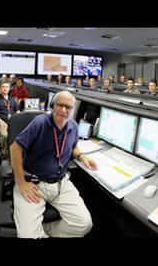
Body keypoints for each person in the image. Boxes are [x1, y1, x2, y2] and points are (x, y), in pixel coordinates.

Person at [10, 91, 96, 238]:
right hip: (33, 183)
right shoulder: (40, 123)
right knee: (27, 236)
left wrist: (82, 156)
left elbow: (73, 145)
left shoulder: (73, 126)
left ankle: (45, 230)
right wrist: (21, 182)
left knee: (84, 224)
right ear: (52, 106)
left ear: (73, 109)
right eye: (60, 105)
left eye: (68, 107)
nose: (63, 110)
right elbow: (15, 149)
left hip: (60, 184)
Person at [0, 81, 21, 160]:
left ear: (9, 89)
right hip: (2, 122)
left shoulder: (12, 99)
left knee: (22, 134)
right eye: (3, 87)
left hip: (13, 122)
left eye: (7, 87)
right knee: (5, 135)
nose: (5, 88)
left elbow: (17, 110)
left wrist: (19, 117)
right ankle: (6, 154)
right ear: (0, 88)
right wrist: (0, 121)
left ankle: (18, 153)